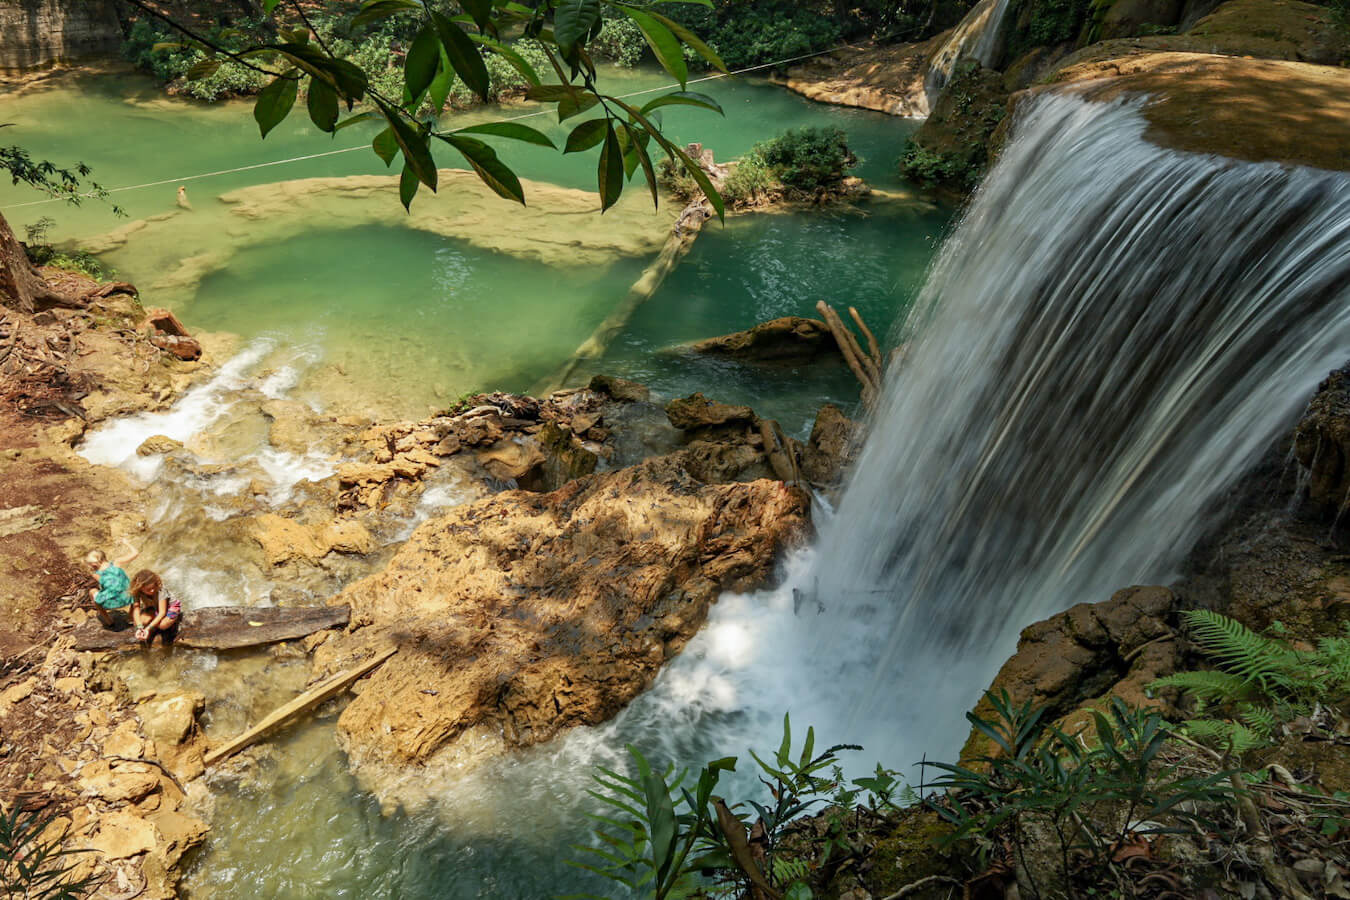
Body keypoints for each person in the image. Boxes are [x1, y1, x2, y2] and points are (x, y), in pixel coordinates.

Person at [85, 539, 139, 627]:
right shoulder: (117, 562)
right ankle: (131, 617)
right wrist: (127, 543)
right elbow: (136, 553)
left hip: (108, 604)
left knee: (92, 592)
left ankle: (108, 620)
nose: (90, 566)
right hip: (127, 599)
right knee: (134, 586)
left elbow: (107, 588)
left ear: (96, 562)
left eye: (90, 564)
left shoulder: (95, 574)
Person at [129, 570, 181, 646]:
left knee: (162, 626)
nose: (152, 590)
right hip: (154, 607)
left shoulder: (160, 589)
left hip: (169, 607)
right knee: (139, 622)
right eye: (148, 589)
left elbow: (162, 612)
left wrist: (148, 628)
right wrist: (139, 627)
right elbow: (136, 609)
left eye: (153, 587)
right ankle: (155, 620)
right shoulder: (137, 592)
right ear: (140, 588)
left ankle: (175, 619)